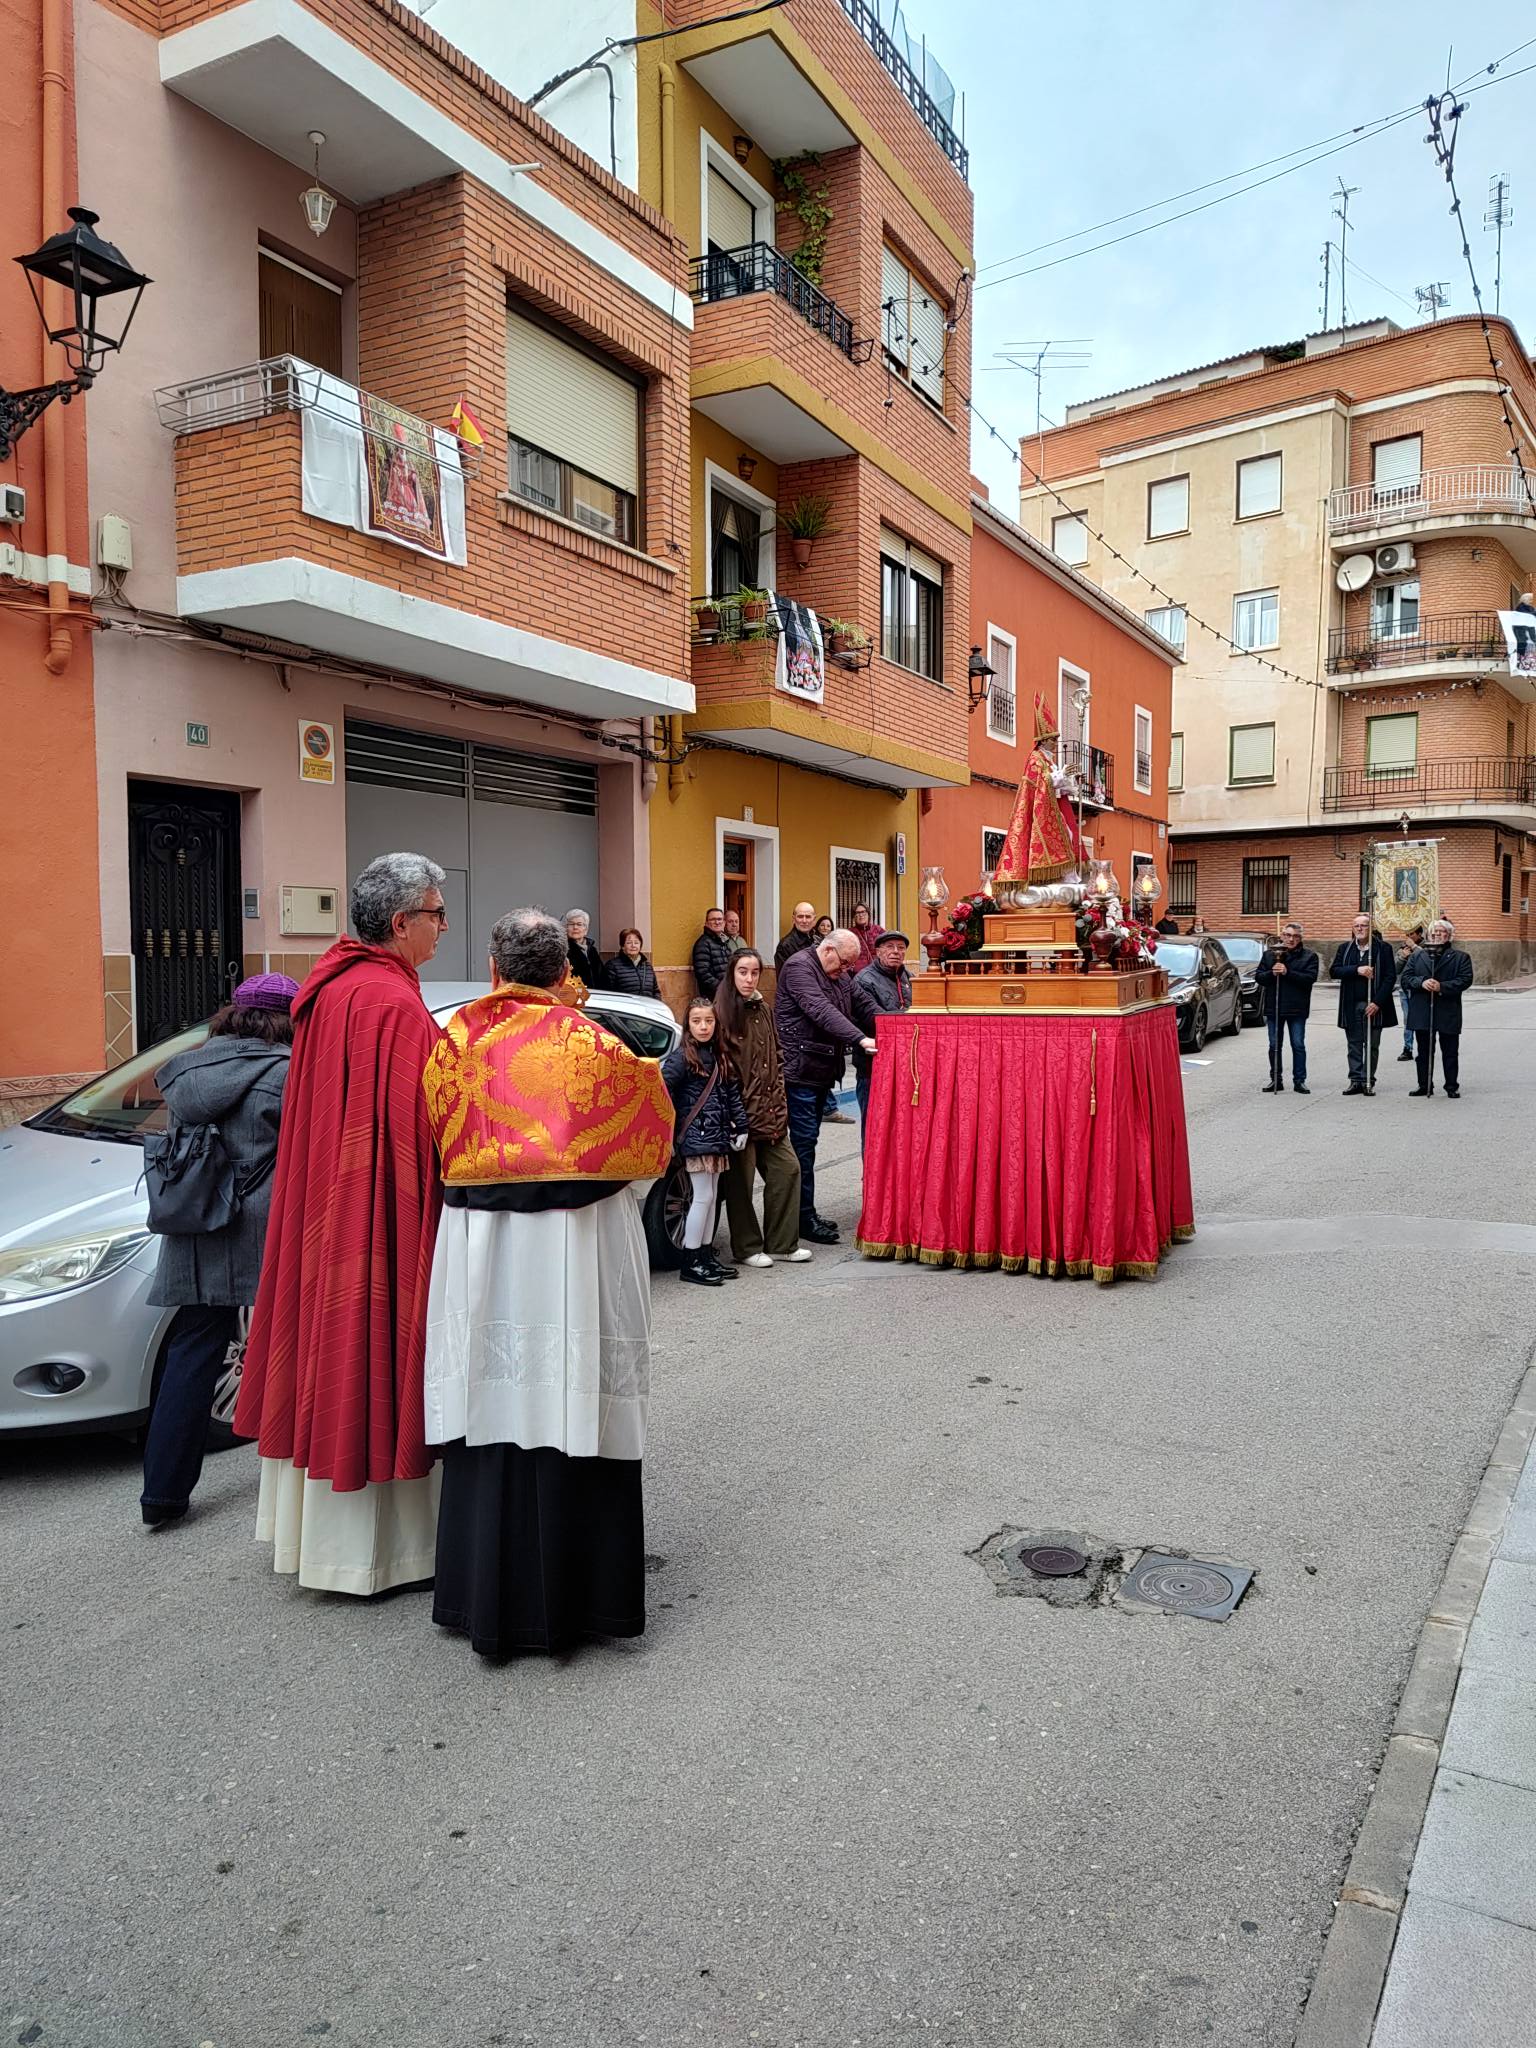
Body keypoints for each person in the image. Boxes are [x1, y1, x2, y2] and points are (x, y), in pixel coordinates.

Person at [422, 908, 674, 1657]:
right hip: (576, 1251)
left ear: (494, 969)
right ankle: (583, 1606)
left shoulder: (454, 1042)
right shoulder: (599, 1045)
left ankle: (485, 1603)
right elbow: (650, 1147)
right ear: (566, 970)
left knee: (493, 1406)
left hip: (483, 1255)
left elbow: (434, 1138)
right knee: (574, 1397)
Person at [234, 852, 447, 1596]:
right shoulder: (388, 1003)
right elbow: (429, 1125)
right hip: (378, 1207)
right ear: (400, 923)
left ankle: (316, 1542)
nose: (442, 929)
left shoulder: (329, 991)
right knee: (372, 1345)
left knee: (331, 1348)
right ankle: (383, 1554)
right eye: (436, 914)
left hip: (328, 1204)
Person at [140, 974, 300, 1528]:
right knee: (295, 1342)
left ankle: (161, 1495)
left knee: (192, 1348)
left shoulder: (189, 1068)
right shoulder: (288, 1071)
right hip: (265, 1221)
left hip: (198, 1216)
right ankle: (302, 1477)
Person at [775, 928, 876, 1244]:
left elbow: (864, 1004)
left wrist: (898, 1026)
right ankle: (803, 1218)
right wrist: (860, 1038)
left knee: (810, 1143)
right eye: (844, 963)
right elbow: (821, 1010)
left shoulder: (840, 975)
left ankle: (807, 1213)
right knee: (803, 1145)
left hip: (820, 1069)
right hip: (800, 1070)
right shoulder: (799, 967)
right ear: (829, 950)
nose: (846, 970)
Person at [713, 948, 810, 1268]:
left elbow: (776, 1055)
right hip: (738, 1117)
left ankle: (782, 1243)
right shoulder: (722, 1011)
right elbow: (720, 1070)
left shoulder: (764, 1008)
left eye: (754, 972)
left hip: (770, 1111)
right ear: (732, 973)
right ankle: (747, 1246)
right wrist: (731, 1114)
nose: (748, 978)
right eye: (743, 972)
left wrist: (779, 1098)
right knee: (740, 1185)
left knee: (788, 1170)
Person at [662, 998, 748, 1286]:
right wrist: (673, 1131)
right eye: (697, 1021)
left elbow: (732, 1092)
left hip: (717, 1137)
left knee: (712, 1197)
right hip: (696, 1137)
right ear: (688, 1025)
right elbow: (663, 1092)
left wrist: (741, 1126)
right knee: (702, 1197)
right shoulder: (682, 1058)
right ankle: (691, 1259)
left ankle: (706, 1255)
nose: (703, 1026)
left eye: (708, 1021)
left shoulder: (719, 1054)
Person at [992, 692, 1081, 891]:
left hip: (1051, 808)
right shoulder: (1035, 758)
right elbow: (1042, 783)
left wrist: (1068, 778)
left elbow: (1054, 785)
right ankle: (1058, 879)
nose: (1056, 742)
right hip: (1038, 814)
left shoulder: (1048, 759)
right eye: (1052, 738)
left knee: (1069, 835)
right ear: (1043, 740)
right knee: (1064, 835)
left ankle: (1068, 878)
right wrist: (1059, 776)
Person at [849, 931, 912, 1156]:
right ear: (878, 952)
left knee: (900, 1131)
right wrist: (911, 1019)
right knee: (874, 1130)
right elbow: (877, 1021)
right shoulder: (864, 980)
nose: (896, 952)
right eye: (890, 947)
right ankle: (871, 1186)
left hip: (903, 1065)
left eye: (901, 948)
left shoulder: (908, 978)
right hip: (872, 1067)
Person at [1400, 918, 1475, 1098]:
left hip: (1447, 1010)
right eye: (1433, 932)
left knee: (1449, 1051)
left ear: (1448, 935)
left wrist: (1442, 987)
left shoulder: (1461, 957)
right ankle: (1424, 1085)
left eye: (1441, 931)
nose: (1436, 934)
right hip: (1423, 1010)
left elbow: (1465, 980)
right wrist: (1422, 982)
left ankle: (1451, 1086)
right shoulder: (1417, 956)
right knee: (1424, 1051)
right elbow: (1406, 979)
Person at [1330, 913, 1397, 1097]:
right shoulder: (1345, 948)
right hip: (1351, 1004)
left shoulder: (1383, 948)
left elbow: (1390, 977)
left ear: (1371, 928)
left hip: (1374, 1005)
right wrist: (1357, 970)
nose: (1360, 929)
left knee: (1372, 1045)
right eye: (1356, 926)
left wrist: (1377, 1002)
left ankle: (1368, 1080)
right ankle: (1355, 1080)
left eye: (1364, 925)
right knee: (1354, 1044)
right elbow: (1334, 971)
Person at [1256, 920, 1320, 1095]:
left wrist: (1287, 973)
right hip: (1274, 1006)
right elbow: (1259, 977)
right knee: (1274, 1044)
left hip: (1297, 1008)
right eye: (1288, 935)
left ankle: (1300, 1080)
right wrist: (1271, 973)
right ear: (1282, 936)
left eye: (1296, 936)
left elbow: (1309, 979)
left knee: (1298, 1044)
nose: (1291, 939)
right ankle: (1276, 1079)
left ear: (1300, 938)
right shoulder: (1270, 955)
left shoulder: (1309, 956)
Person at [1395, 926, 1424, 1061]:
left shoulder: (1425, 947)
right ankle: (1408, 1048)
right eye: (1407, 934)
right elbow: (1395, 969)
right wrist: (1402, 957)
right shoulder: (1402, 948)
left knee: (1422, 1020)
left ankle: (1424, 1048)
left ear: (1419, 934)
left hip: (1420, 990)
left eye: (1411, 934)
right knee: (1408, 1020)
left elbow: (1428, 961)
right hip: (1405, 990)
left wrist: (1415, 948)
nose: (1408, 937)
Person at [607, 926, 660, 998]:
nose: (633, 946)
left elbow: (656, 991)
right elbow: (608, 993)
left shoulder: (647, 966)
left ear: (640, 945)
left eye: (636, 942)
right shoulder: (613, 966)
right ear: (623, 946)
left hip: (647, 1008)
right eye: (629, 943)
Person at [691, 906, 732, 997]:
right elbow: (703, 973)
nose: (717, 922)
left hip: (727, 993)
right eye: (713, 919)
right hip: (713, 996)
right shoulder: (703, 944)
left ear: (724, 923)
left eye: (719, 919)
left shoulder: (724, 942)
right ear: (706, 923)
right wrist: (721, 988)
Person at [564, 908, 607, 992]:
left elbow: (603, 978)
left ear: (586, 929)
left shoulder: (592, 950)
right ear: (566, 928)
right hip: (573, 998)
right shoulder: (563, 949)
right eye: (571, 924)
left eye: (579, 924)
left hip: (596, 997)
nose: (575, 927)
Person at [774, 902, 818, 973]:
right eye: (800, 917)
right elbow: (783, 978)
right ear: (793, 919)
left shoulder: (818, 940)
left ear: (814, 920)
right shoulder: (785, 946)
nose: (804, 921)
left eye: (808, 917)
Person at [851, 902, 884, 967]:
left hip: (877, 970)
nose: (861, 915)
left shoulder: (878, 930)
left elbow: (887, 948)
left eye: (863, 912)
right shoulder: (850, 933)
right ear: (854, 916)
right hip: (858, 973)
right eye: (857, 913)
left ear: (868, 914)